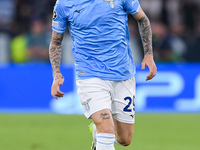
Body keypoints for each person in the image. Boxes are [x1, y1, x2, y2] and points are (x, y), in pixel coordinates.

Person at [49, 0, 157, 150]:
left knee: (125, 138)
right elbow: (55, 41)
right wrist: (56, 74)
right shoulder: (64, 4)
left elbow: (142, 19)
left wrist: (149, 55)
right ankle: (101, 133)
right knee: (106, 129)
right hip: (89, 74)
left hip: (123, 73)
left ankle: (96, 132)